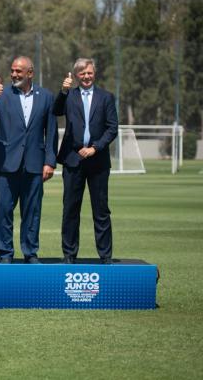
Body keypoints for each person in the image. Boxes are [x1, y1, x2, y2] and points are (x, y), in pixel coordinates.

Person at [0, 56, 58, 264]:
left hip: (34, 164)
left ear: (30, 73)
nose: (14, 74)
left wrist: (50, 161)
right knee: (4, 210)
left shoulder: (47, 97)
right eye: (12, 70)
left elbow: (51, 133)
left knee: (32, 212)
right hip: (5, 164)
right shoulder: (2, 93)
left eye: (18, 71)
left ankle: (30, 253)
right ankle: (5, 254)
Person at [54, 58, 118, 264]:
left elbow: (112, 128)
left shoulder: (106, 97)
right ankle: (69, 255)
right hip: (73, 160)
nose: (86, 76)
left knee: (101, 210)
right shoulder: (70, 96)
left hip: (98, 162)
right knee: (70, 209)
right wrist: (63, 91)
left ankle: (105, 256)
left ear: (94, 74)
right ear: (76, 76)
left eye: (89, 72)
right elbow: (56, 111)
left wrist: (94, 148)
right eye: (82, 73)